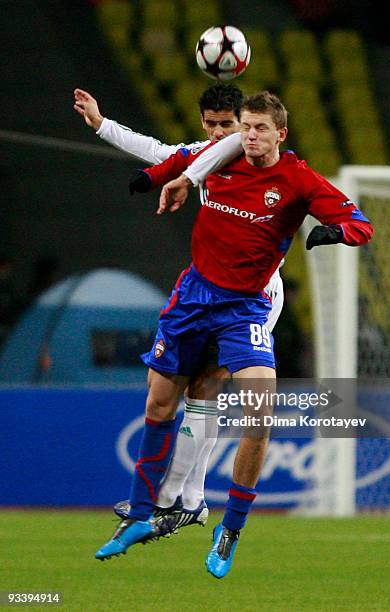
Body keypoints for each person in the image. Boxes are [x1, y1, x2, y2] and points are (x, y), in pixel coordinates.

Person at [95, 91, 373, 578]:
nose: (247, 136)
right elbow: (165, 156)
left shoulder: (296, 179)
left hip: (248, 304)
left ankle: (228, 529)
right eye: (242, 127)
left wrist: (337, 231)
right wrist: (142, 168)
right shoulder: (217, 155)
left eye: (258, 128)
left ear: (280, 133)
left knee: (257, 414)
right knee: (160, 405)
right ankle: (146, 514)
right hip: (193, 296)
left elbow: (359, 222)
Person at [74, 85, 284, 536]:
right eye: (211, 124)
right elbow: (155, 150)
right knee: (195, 392)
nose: (220, 133)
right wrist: (101, 123)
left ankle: (181, 498)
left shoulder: (262, 158)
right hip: (212, 290)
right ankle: (191, 498)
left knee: (208, 387)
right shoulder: (204, 155)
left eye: (228, 124)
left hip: (256, 295)